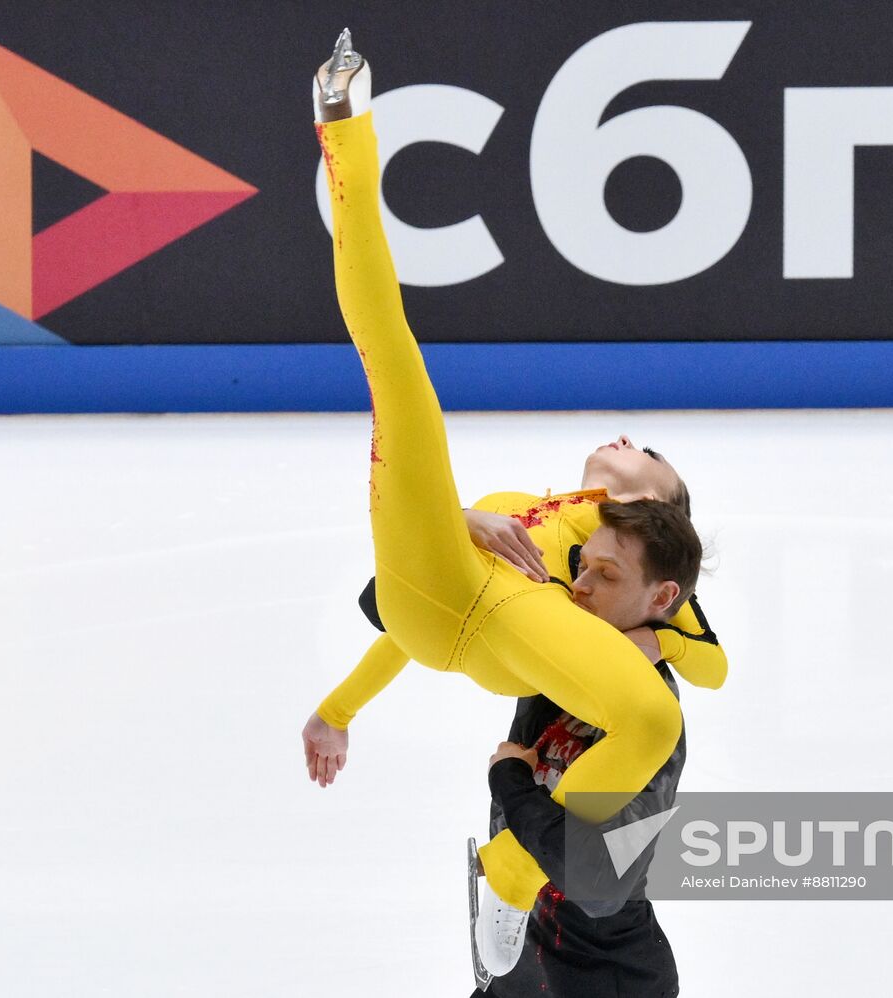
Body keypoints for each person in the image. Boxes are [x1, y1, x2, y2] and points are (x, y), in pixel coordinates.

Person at [305, 30, 721, 976]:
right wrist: (338, 709)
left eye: (646, 456)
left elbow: (712, 669)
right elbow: (405, 628)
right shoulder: (519, 507)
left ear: (659, 511)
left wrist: (671, 614)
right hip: (435, 593)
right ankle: (344, 126)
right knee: (396, 363)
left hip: (515, 630)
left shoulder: (635, 568)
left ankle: (509, 872)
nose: (626, 440)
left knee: (652, 723)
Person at [477, 500, 693, 996]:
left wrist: (509, 782)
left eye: (606, 575)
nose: (579, 585)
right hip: (525, 968)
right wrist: (468, 518)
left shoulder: (650, 718)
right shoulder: (558, 662)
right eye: (580, 565)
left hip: (603, 977)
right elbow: (388, 604)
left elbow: (597, 883)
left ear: (661, 595)